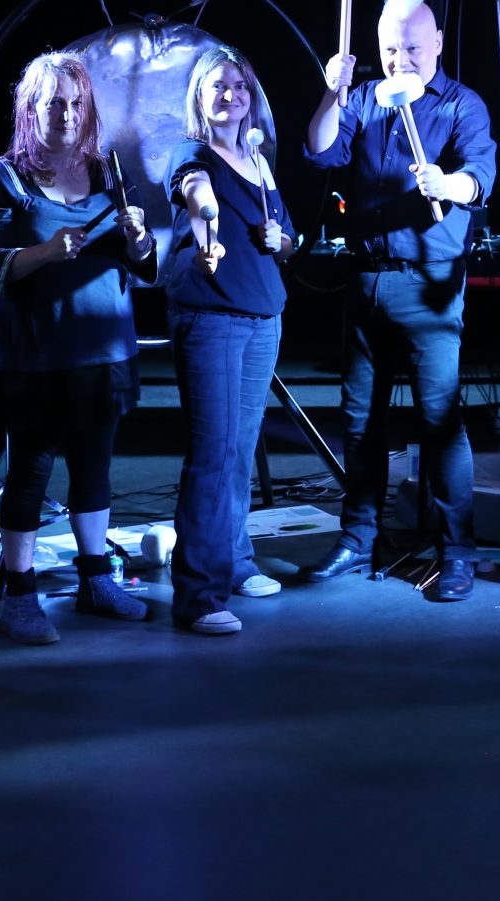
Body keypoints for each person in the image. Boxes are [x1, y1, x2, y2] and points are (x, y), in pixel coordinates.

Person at [300, 0, 498, 600]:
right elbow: (320, 151)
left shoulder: (462, 104)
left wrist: (448, 183)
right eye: (390, 48)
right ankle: (358, 538)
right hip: (367, 279)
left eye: (412, 47)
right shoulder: (364, 98)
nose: (401, 59)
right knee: (361, 419)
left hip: (430, 284)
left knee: (441, 420)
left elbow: (481, 176)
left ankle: (457, 552)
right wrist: (332, 92)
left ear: (435, 43)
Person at [0, 52, 157, 644]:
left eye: (77, 104)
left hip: (102, 354)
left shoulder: (108, 172)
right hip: (35, 359)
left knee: (94, 469)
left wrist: (139, 239)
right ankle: (20, 597)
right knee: (30, 472)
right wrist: (47, 252)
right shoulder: (3, 178)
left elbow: (142, 263)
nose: (67, 114)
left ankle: (96, 580)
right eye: (53, 103)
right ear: (29, 109)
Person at [161, 44, 297, 635]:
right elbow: (195, 192)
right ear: (199, 97)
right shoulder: (192, 154)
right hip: (211, 318)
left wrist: (279, 240)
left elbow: (288, 240)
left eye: (239, 86)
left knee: (240, 451)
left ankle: (238, 561)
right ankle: (198, 595)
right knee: (213, 455)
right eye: (217, 86)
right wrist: (207, 219)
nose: (230, 95)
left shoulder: (259, 161)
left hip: (264, 316)